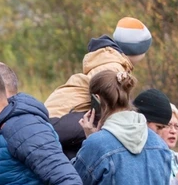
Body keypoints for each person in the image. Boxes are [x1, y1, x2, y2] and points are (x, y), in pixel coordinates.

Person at [47, 18, 153, 158]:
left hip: (59, 118)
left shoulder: (109, 60)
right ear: (139, 50)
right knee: (111, 123)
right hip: (55, 121)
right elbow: (110, 107)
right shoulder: (112, 67)